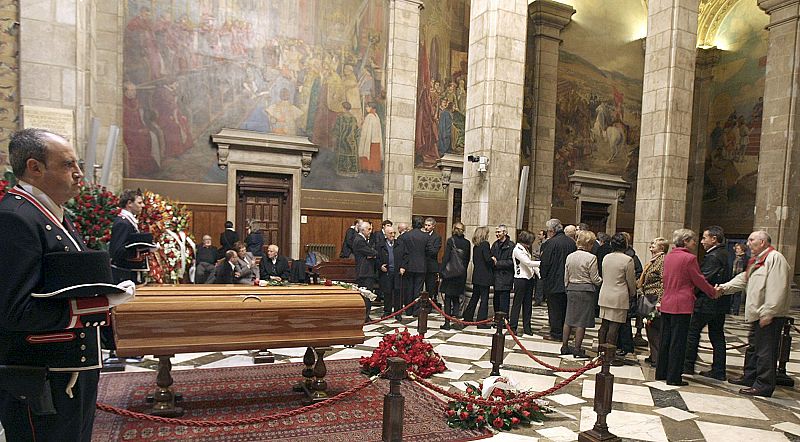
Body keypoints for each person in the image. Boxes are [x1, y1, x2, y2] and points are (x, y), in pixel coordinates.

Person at [0, 128, 135, 441]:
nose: (78, 173)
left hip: (70, 369)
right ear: (34, 167)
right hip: (43, 377)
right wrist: (99, 304)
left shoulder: (54, 214)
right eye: (67, 164)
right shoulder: (15, 217)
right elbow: (14, 311)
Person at [718, 231, 792, 397]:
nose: (748, 243)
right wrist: (723, 288)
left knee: (766, 351)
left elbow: (777, 287)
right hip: (758, 313)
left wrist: (769, 312)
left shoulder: (775, 258)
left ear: (763, 242)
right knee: (754, 348)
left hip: (769, 315)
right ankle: (750, 377)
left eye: (751, 240)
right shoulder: (757, 260)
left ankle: (763, 385)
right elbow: (743, 279)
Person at [657, 229, 718, 386]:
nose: (695, 243)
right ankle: (673, 377)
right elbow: (699, 280)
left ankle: (661, 372)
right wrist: (713, 292)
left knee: (665, 339)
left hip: (667, 301)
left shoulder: (668, 256)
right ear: (685, 241)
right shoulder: (689, 258)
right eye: (692, 240)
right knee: (678, 342)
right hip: (681, 304)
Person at [684, 226, 731, 380]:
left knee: (692, 332)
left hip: (707, 303)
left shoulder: (713, 256)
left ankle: (687, 365)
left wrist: (691, 293)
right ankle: (719, 370)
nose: (702, 241)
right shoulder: (725, 253)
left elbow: (702, 280)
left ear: (714, 239)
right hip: (719, 303)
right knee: (717, 335)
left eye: (704, 238)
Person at [597, 233, 636, 366]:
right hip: (619, 296)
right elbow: (630, 281)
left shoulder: (607, 257)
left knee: (604, 326)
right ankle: (609, 356)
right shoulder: (627, 260)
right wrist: (633, 293)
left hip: (605, 293)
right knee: (614, 327)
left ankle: (600, 354)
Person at [563, 230, 602, 358]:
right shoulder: (591, 258)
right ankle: (577, 348)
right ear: (589, 244)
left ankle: (564, 346)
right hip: (585, 290)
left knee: (569, 319)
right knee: (581, 321)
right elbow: (594, 278)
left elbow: (566, 276)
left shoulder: (570, 256)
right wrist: (602, 281)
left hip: (571, 288)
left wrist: (567, 287)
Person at [540, 219, 577, 341]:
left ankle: (556, 333)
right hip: (569, 280)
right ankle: (566, 332)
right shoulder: (571, 242)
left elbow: (545, 262)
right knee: (565, 308)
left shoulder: (551, 243)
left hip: (553, 280)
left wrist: (543, 277)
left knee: (554, 309)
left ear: (552, 231)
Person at [640, 237, 669, 367]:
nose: (651, 247)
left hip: (655, 297)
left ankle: (658, 358)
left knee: (654, 327)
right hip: (648, 296)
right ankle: (653, 355)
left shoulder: (663, 260)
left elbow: (664, 281)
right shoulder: (654, 260)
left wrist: (661, 300)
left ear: (662, 248)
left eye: (654, 245)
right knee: (649, 327)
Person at [109, 189, 145, 284]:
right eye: (139, 203)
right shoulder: (123, 223)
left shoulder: (128, 221)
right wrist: (141, 248)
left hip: (129, 272)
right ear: (129, 203)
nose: (143, 205)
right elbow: (117, 252)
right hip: (124, 274)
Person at [399, 217, 432, 315]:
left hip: (408, 265)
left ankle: (408, 309)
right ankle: (416, 309)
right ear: (422, 224)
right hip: (421, 265)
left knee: (408, 288)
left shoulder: (405, 236)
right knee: (418, 289)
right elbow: (429, 251)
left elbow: (401, 251)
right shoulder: (426, 236)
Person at [440, 222, 471, 330]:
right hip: (460, 274)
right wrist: (462, 271)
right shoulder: (467, 243)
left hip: (450, 274)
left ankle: (447, 322)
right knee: (457, 298)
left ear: (454, 229)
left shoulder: (451, 240)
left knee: (448, 299)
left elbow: (446, 257)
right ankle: (456, 322)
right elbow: (467, 259)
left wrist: (441, 271)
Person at [509, 230, 539, 335]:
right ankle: (513, 326)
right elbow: (528, 263)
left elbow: (531, 266)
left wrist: (539, 274)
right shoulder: (517, 250)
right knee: (517, 304)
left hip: (529, 279)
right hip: (520, 279)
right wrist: (543, 263)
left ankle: (527, 327)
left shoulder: (525, 249)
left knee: (528, 305)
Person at [463, 226, 493, 329]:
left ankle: (468, 317)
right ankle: (481, 321)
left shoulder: (476, 246)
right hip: (484, 276)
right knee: (484, 299)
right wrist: (493, 260)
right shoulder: (485, 244)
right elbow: (487, 259)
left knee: (475, 297)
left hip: (477, 275)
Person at [353, 221, 378, 322]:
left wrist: (372, 254)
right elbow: (372, 252)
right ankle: (365, 316)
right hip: (364, 271)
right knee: (366, 295)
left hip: (365, 271)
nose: (370, 231)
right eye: (369, 229)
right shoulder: (359, 240)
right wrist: (372, 253)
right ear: (362, 230)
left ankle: (366, 316)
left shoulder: (362, 239)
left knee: (367, 295)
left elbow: (371, 253)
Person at [490, 224, 515, 318]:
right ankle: (497, 319)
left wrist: (498, 263)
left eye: (499, 232)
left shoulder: (511, 245)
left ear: (505, 233)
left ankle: (504, 320)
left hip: (506, 277)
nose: (497, 234)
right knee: (496, 301)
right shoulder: (495, 244)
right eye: (496, 232)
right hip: (496, 277)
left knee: (504, 302)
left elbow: (511, 262)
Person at [377, 225, 399, 314]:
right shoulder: (380, 245)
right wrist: (380, 266)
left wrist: (403, 267)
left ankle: (398, 312)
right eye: (390, 233)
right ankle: (387, 311)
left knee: (397, 293)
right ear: (385, 234)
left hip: (397, 272)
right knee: (387, 293)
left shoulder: (399, 244)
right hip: (386, 273)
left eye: (394, 233)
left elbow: (405, 256)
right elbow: (377, 258)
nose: (393, 235)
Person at [423, 217, 442, 305]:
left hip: (431, 266)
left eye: (428, 225)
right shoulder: (421, 235)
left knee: (430, 288)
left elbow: (434, 251)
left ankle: (428, 306)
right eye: (425, 225)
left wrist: (427, 242)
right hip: (421, 265)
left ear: (433, 226)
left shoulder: (437, 237)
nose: (426, 227)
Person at [729, 242, 748, 315]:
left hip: (740, 278)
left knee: (737, 294)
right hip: (732, 277)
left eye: (738, 248)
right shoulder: (734, 257)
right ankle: (730, 308)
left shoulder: (746, 258)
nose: (736, 250)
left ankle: (735, 310)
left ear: (742, 250)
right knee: (731, 293)